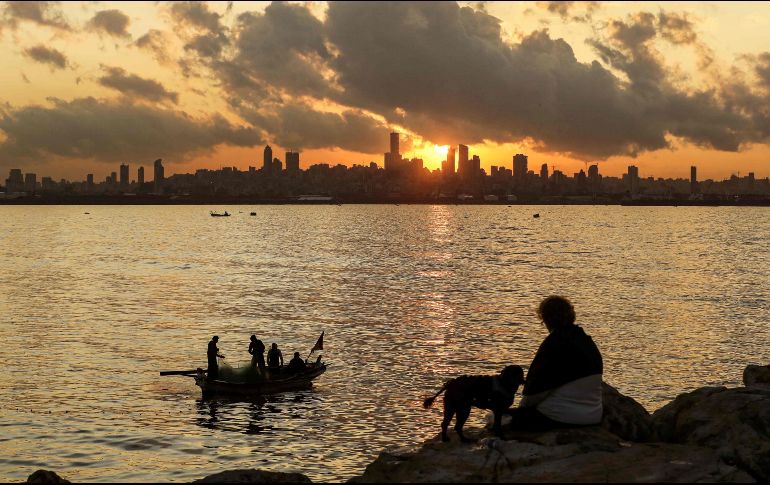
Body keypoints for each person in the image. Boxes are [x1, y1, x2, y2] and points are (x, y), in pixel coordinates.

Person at [507, 296, 603, 432]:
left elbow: (534, 391)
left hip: (561, 417)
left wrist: (521, 410)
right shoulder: (587, 342)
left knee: (501, 418)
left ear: (545, 319)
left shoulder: (553, 344)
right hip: (593, 416)